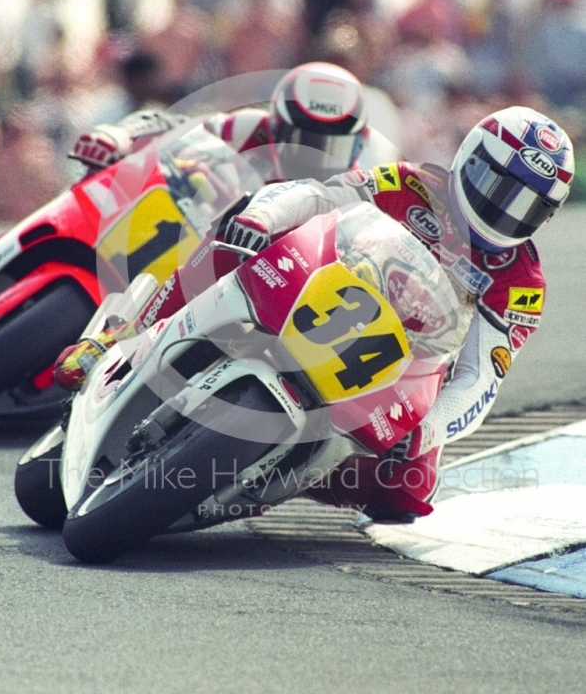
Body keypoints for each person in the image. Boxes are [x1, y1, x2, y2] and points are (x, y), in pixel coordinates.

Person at [221, 106, 573, 521]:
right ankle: (147, 333)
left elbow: (480, 378)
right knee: (234, 239)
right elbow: (320, 193)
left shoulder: (521, 282)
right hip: (320, 292)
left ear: (545, 217)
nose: (504, 210)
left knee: (406, 490)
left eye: (526, 205)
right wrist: (262, 217)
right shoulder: (411, 182)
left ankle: (284, 471)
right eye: (497, 186)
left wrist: (428, 429)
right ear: (470, 159)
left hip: (401, 367)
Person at [54, 61, 370, 385]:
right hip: (205, 239)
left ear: (360, 142)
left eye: (329, 147)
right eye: (300, 139)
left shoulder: (356, 189)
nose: (309, 158)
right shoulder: (250, 128)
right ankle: (113, 337)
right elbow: (172, 127)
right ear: (276, 124)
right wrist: (121, 136)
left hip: (272, 291)